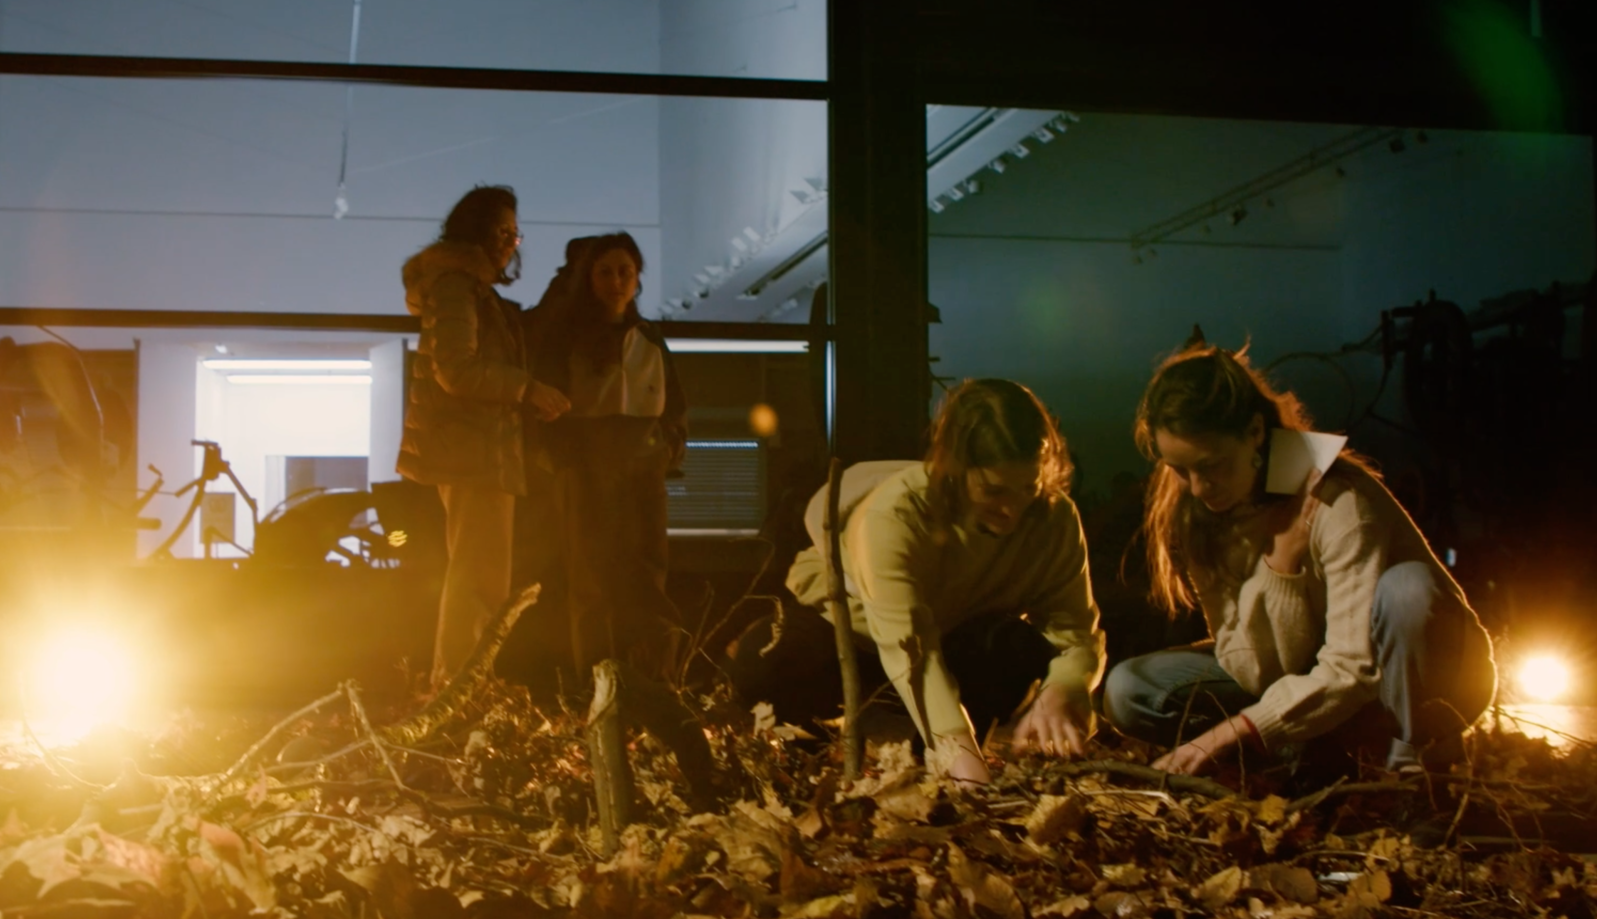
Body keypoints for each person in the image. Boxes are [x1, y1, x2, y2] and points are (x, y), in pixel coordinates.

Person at [1106, 344, 1495, 776]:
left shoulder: (1336, 498)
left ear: (1255, 432)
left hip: (1403, 683)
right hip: (1309, 679)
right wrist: (1281, 568)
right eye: (1179, 469)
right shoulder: (1199, 513)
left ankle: (1415, 766)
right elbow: (1248, 666)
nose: (1198, 487)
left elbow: (1352, 667)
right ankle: (1307, 743)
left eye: (1211, 465)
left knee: (1407, 590)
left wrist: (1228, 731)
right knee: (1130, 687)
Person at [745, 379, 1106, 784]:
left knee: (1013, 648)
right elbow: (910, 648)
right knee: (763, 662)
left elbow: (1075, 631)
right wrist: (963, 754)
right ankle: (811, 760)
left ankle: (931, 760)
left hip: (956, 636)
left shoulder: (1054, 520)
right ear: (954, 470)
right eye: (994, 490)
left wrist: (1065, 687)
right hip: (856, 632)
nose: (1012, 510)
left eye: (1028, 488)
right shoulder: (897, 514)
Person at [524, 233, 712, 807]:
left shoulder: (649, 335)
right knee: (590, 578)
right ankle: (597, 689)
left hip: (643, 463)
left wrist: (669, 442)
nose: (615, 281)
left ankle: (656, 682)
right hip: (587, 462)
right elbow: (547, 409)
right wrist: (561, 461)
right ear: (589, 278)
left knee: (648, 570)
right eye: (604, 272)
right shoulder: (569, 335)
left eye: (624, 270)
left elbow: (672, 398)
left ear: (638, 277)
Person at [398, 185, 571, 685]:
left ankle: (461, 688)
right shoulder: (457, 286)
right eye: (501, 232)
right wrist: (527, 389)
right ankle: (459, 691)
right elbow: (456, 369)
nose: (509, 243)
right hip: (472, 450)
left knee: (479, 576)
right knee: (479, 579)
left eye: (514, 234)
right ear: (473, 234)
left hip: (473, 448)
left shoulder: (466, 288)